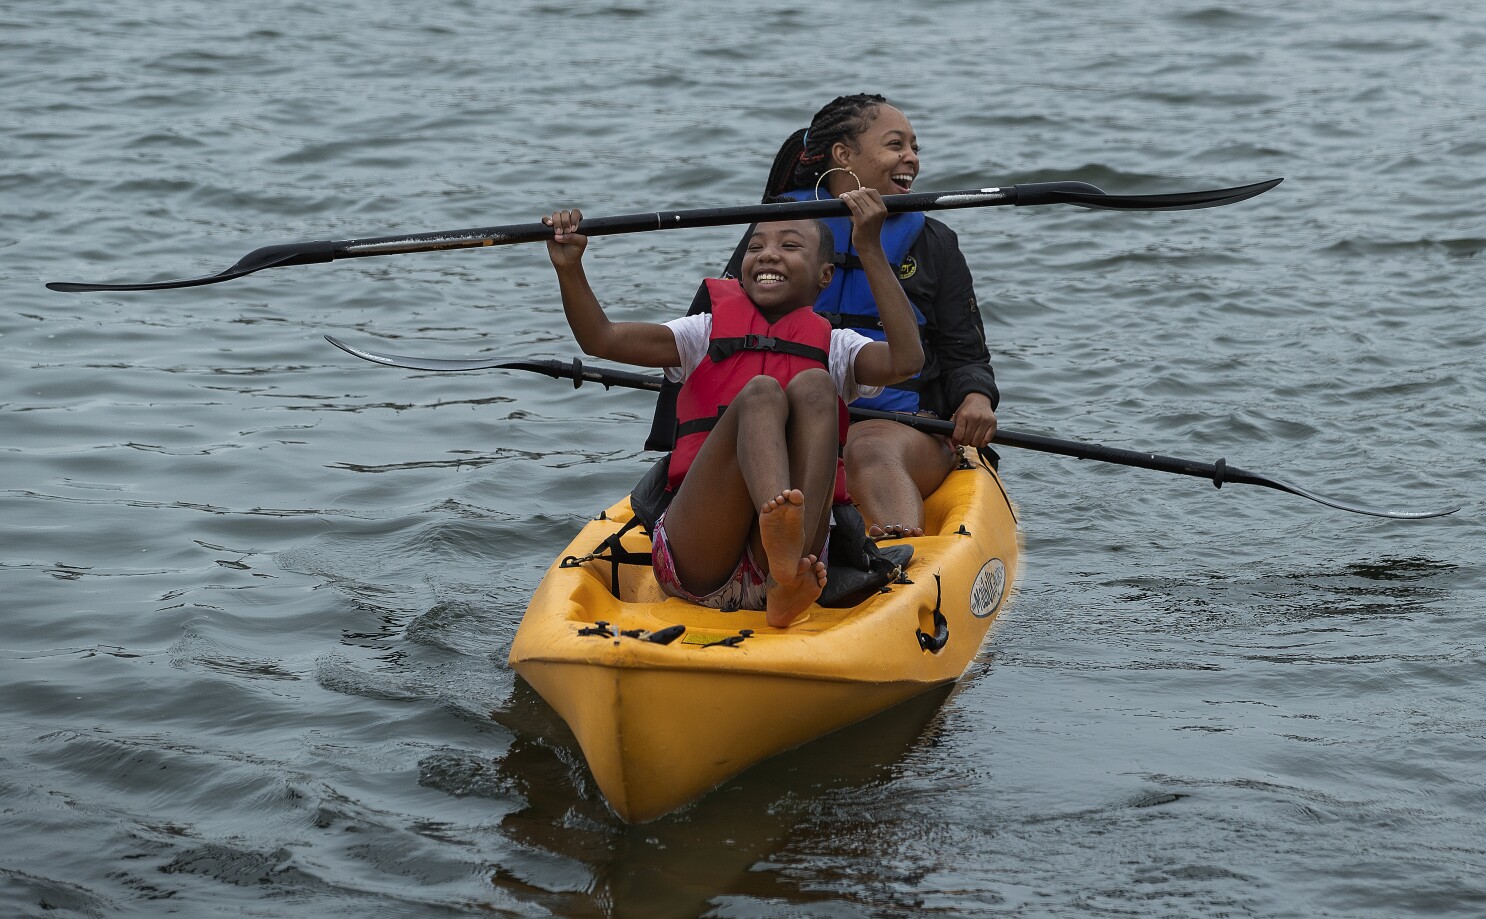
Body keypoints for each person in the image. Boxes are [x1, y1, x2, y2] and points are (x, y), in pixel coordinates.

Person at [544, 188, 923, 628]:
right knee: (761, 392)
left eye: (789, 246)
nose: (768, 255)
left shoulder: (837, 349)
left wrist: (869, 249)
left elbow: (907, 361)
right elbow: (602, 339)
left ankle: (784, 570)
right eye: (756, 246)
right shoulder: (701, 334)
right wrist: (570, 269)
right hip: (700, 559)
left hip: (799, 567)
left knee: (817, 385)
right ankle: (780, 546)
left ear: (825, 275)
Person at [646, 94, 999, 538]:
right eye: (895, 145)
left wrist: (976, 398)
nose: (911, 158)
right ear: (843, 156)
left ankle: (897, 553)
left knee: (866, 449)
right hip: (791, 418)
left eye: (915, 148)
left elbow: (965, 353)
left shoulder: (933, 242)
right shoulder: (777, 230)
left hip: (899, 425)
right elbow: (718, 335)